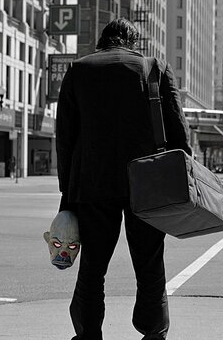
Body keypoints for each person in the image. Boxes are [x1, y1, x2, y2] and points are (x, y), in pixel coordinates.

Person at [56, 18, 192, 340]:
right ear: (134, 42)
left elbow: (65, 138)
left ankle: (88, 333)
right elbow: (179, 132)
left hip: (92, 183)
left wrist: (68, 193)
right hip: (148, 183)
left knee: (93, 266)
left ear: (102, 41)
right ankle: (153, 330)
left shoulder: (78, 70)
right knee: (149, 264)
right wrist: (183, 180)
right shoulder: (153, 68)